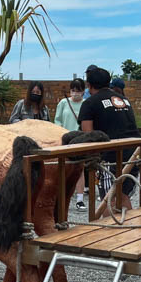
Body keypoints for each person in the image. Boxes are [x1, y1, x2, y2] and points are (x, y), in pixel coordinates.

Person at [78, 67, 140, 210]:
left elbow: (89, 135)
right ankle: (129, 230)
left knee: (110, 200)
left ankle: (112, 230)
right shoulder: (123, 99)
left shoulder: (90, 103)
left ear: (89, 85)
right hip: (134, 154)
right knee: (122, 196)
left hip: (110, 157)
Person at [53, 78, 87, 209]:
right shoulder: (63, 103)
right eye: (73, 90)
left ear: (83, 91)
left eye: (78, 90)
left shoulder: (86, 103)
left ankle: (79, 198)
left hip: (79, 139)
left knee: (79, 169)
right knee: (62, 167)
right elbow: (58, 120)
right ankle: (59, 196)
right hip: (64, 139)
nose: (75, 93)